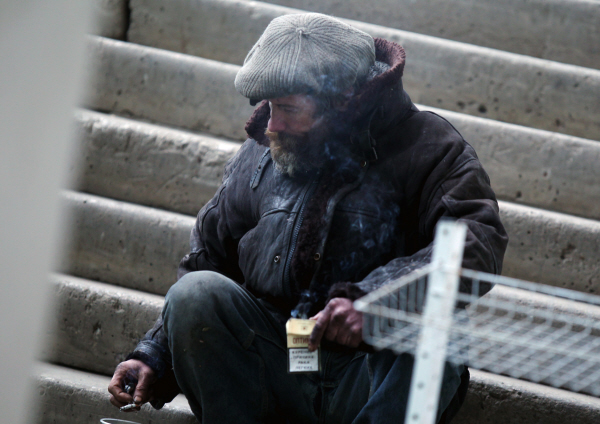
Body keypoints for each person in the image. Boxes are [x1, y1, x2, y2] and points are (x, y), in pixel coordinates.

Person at [108, 13, 508, 424]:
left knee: (437, 328)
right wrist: (155, 354)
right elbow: (209, 258)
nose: (272, 124)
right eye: (269, 106)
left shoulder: (432, 147)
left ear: (343, 99)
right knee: (194, 293)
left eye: (287, 108)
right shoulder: (263, 150)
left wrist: (376, 302)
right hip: (278, 362)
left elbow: (477, 242)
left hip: (369, 373)